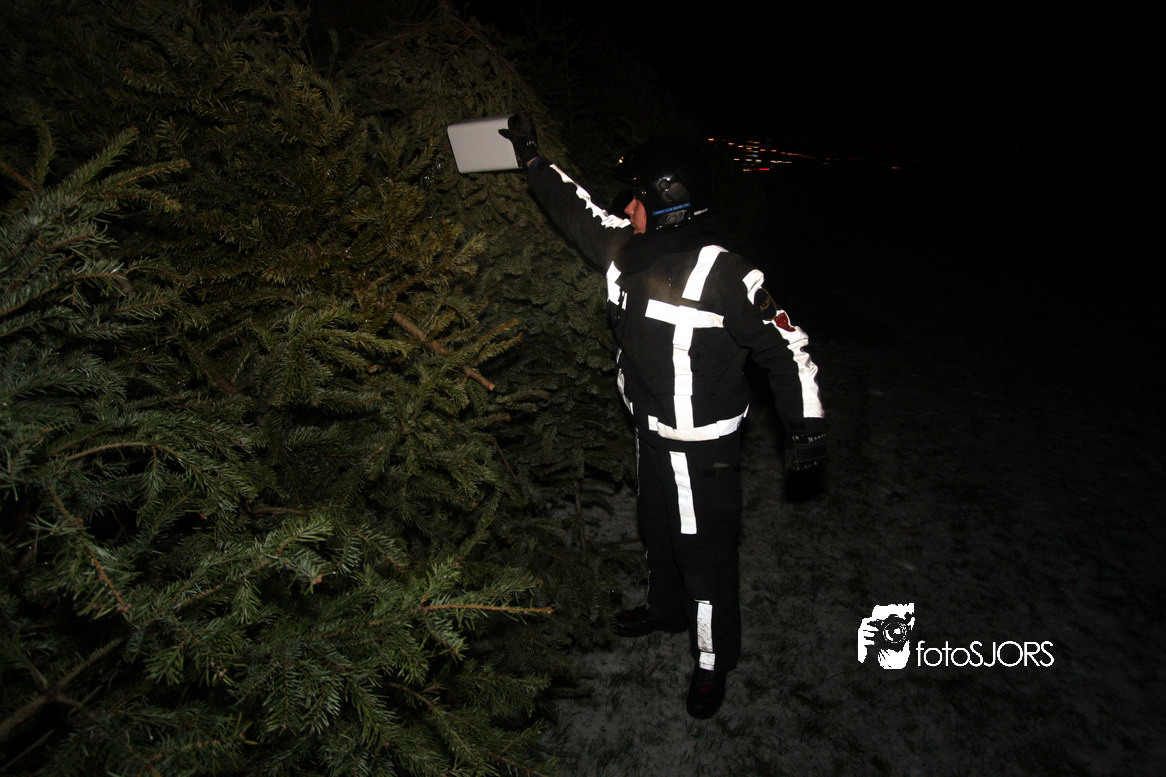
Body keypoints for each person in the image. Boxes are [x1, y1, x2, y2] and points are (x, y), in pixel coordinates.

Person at [501, 111, 826, 719]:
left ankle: (712, 660)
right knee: (655, 527)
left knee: (706, 559)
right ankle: (665, 609)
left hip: (701, 451)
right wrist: (532, 160)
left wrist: (805, 427)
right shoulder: (625, 248)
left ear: (669, 202)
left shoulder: (725, 275)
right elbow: (576, 210)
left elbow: (787, 349)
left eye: (638, 198)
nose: (626, 207)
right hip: (649, 433)